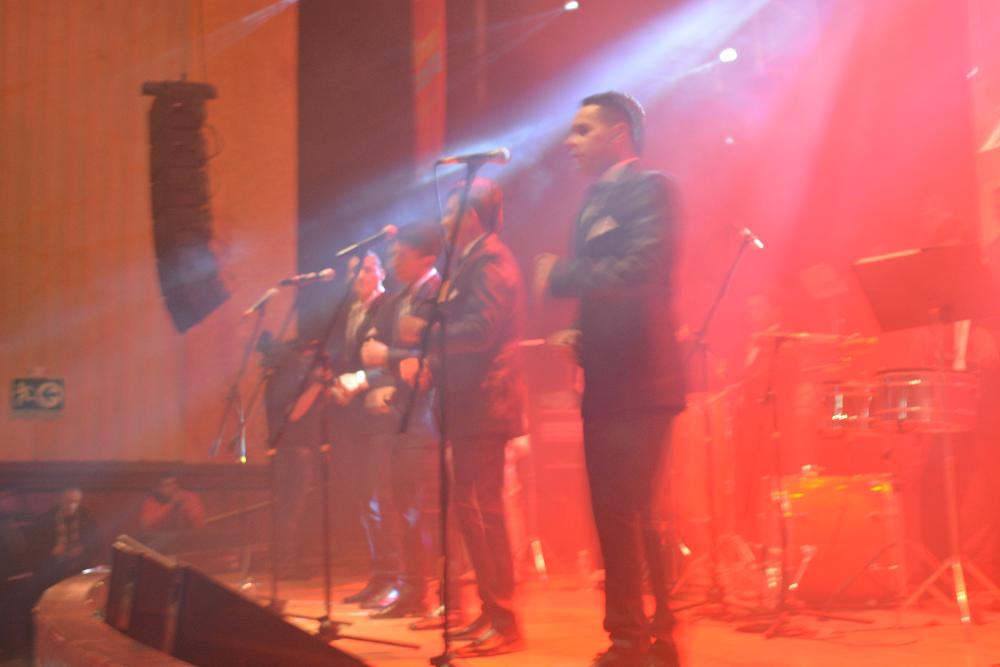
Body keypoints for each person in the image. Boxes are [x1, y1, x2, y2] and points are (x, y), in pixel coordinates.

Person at [536, 91, 685, 667]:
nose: (569, 141)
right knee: (619, 510)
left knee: (626, 508)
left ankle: (635, 637)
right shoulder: (592, 201)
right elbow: (608, 287)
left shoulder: (651, 189)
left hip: (643, 379)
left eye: (582, 130)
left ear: (617, 133)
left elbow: (642, 269)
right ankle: (648, 633)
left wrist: (561, 274)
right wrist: (580, 330)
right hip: (608, 380)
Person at [404, 178, 527, 656]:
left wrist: (426, 332)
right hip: (471, 404)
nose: (442, 221)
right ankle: (492, 612)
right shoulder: (473, 261)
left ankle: (505, 620)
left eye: (450, 211)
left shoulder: (491, 261)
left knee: (484, 510)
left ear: (471, 217)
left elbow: (480, 331)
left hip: (486, 404)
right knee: (472, 510)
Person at [360, 222, 444, 619]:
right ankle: (412, 590)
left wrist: (391, 358)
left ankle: (431, 594)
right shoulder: (397, 301)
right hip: (401, 416)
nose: (393, 261)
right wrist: (389, 369)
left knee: (424, 510)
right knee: (403, 505)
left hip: (429, 417)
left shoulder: (439, 295)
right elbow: (373, 350)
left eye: (400, 255)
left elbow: (433, 357)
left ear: (425, 258)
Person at [137, 473, 206, 554]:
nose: (173, 488)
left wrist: (184, 506)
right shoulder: (152, 501)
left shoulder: (190, 497)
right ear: (158, 489)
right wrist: (171, 505)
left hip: (188, 543)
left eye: (174, 483)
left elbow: (199, 523)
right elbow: (148, 525)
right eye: (167, 485)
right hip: (161, 545)